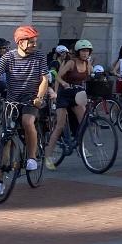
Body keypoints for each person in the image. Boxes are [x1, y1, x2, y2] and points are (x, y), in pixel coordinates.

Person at [0, 26, 49, 195]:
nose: (35, 44)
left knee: (28, 121)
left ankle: (32, 157)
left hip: (31, 99)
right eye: (31, 42)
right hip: (12, 100)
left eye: (35, 41)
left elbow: (43, 79)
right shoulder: (9, 57)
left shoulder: (39, 56)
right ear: (20, 42)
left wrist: (40, 97)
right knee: (6, 136)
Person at [43, 39, 93, 169]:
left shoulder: (88, 64)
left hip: (77, 94)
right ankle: (48, 156)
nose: (85, 53)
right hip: (64, 95)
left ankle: (80, 146)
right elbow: (58, 75)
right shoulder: (71, 63)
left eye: (87, 51)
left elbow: (90, 79)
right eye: (83, 51)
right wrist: (57, 89)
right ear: (77, 52)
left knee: (84, 122)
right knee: (60, 125)